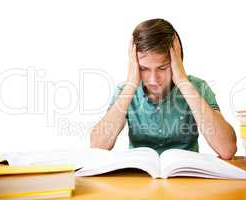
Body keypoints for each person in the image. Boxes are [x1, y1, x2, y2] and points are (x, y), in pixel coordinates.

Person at [90, 18, 237, 159]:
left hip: (186, 179)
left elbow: (227, 149)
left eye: (162, 68)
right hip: (139, 180)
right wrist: (130, 85)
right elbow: (97, 147)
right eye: (144, 68)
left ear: (177, 62)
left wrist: (182, 81)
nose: (153, 79)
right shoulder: (124, 91)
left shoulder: (198, 87)